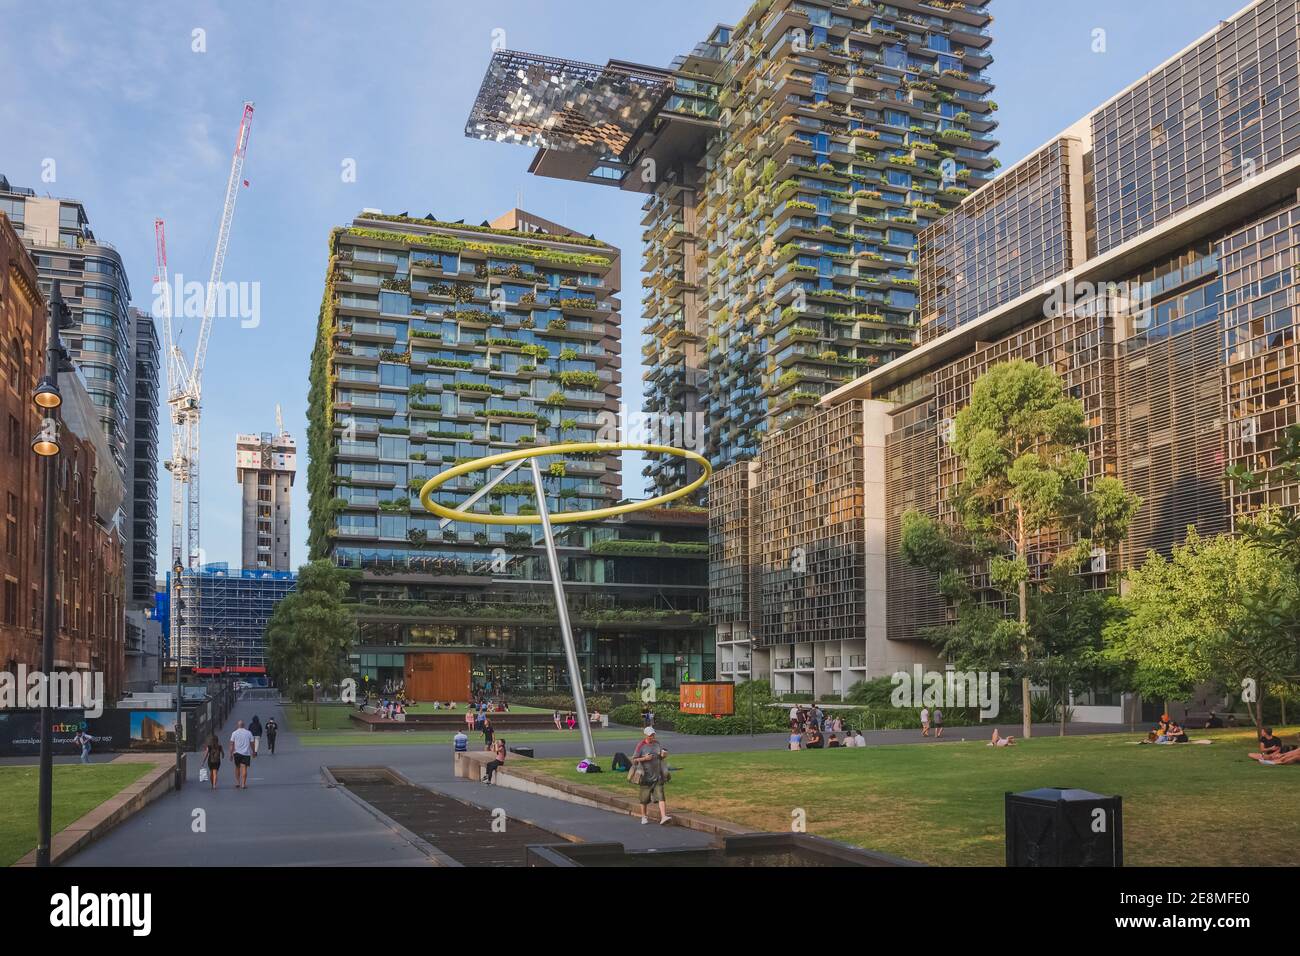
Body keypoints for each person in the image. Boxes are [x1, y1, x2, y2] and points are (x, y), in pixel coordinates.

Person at [633, 727, 671, 825]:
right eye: (650, 735)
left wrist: (663, 755)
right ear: (645, 735)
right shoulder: (640, 745)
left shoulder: (657, 743)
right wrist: (645, 758)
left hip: (657, 775)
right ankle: (644, 816)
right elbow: (634, 760)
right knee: (644, 799)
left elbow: (659, 756)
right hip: (645, 776)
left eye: (653, 735)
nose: (652, 737)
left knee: (661, 796)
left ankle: (663, 816)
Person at [229, 720, 254, 789]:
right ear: (244, 725)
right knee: (244, 768)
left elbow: (231, 744)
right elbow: (252, 743)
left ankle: (237, 782)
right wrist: (254, 751)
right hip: (246, 753)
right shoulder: (249, 733)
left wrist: (231, 754)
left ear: (238, 725)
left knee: (237, 767)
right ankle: (243, 784)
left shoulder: (234, 733)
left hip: (237, 753)